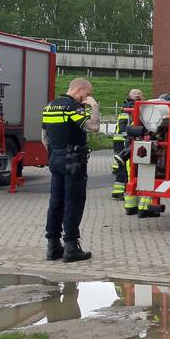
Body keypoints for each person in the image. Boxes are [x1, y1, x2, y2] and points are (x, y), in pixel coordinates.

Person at [42, 77, 100, 262]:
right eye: (88, 94)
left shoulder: (49, 107)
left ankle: (52, 246)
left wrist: (54, 154)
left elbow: (44, 138)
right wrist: (94, 107)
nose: (88, 97)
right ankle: (71, 246)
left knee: (56, 201)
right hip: (74, 160)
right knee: (73, 201)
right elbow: (94, 127)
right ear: (80, 91)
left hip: (55, 158)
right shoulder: (73, 107)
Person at [112, 88, 143, 206]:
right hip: (125, 139)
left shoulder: (126, 105)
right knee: (125, 165)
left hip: (119, 139)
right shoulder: (133, 106)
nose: (139, 95)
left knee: (121, 164)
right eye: (137, 94)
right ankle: (123, 190)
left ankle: (118, 190)